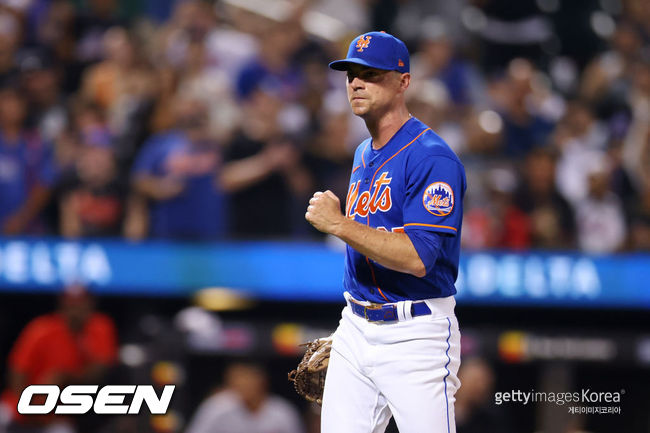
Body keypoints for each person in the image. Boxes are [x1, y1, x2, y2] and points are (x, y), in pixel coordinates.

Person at [305, 32, 466, 433]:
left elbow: (417, 257)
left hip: (416, 333)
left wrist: (338, 224)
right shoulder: (363, 153)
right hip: (355, 326)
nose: (356, 84)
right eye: (351, 75)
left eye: (371, 74)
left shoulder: (432, 157)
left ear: (403, 81)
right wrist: (358, 326)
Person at [0, 285, 118, 433]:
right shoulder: (41, 330)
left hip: (58, 416)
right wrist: (28, 407)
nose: (76, 310)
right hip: (21, 407)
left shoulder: (99, 327)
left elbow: (102, 369)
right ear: (62, 305)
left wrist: (65, 377)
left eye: (81, 303)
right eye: (71, 304)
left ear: (91, 304)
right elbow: (17, 372)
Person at [185, 362, 304, 433]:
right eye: (239, 381)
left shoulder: (282, 412)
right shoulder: (216, 407)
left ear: (262, 382)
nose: (245, 386)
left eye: (248, 381)